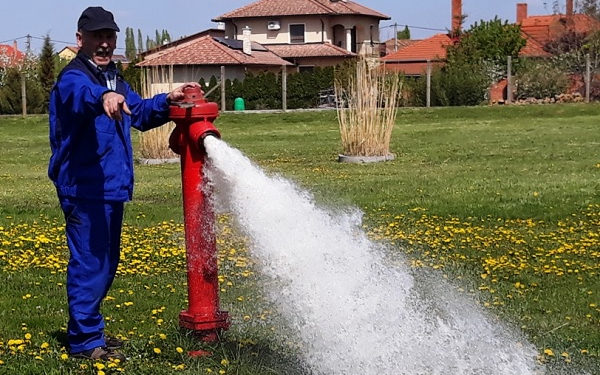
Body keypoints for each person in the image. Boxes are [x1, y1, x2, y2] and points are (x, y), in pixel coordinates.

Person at [48, 6, 198, 361]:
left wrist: (168, 100)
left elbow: (139, 114)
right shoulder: (74, 77)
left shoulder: (114, 79)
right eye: (97, 36)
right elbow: (81, 96)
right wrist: (102, 98)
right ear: (80, 40)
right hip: (84, 188)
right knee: (91, 264)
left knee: (104, 263)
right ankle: (85, 343)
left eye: (109, 36)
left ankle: (89, 331)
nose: (104, 43)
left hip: (110, 188)